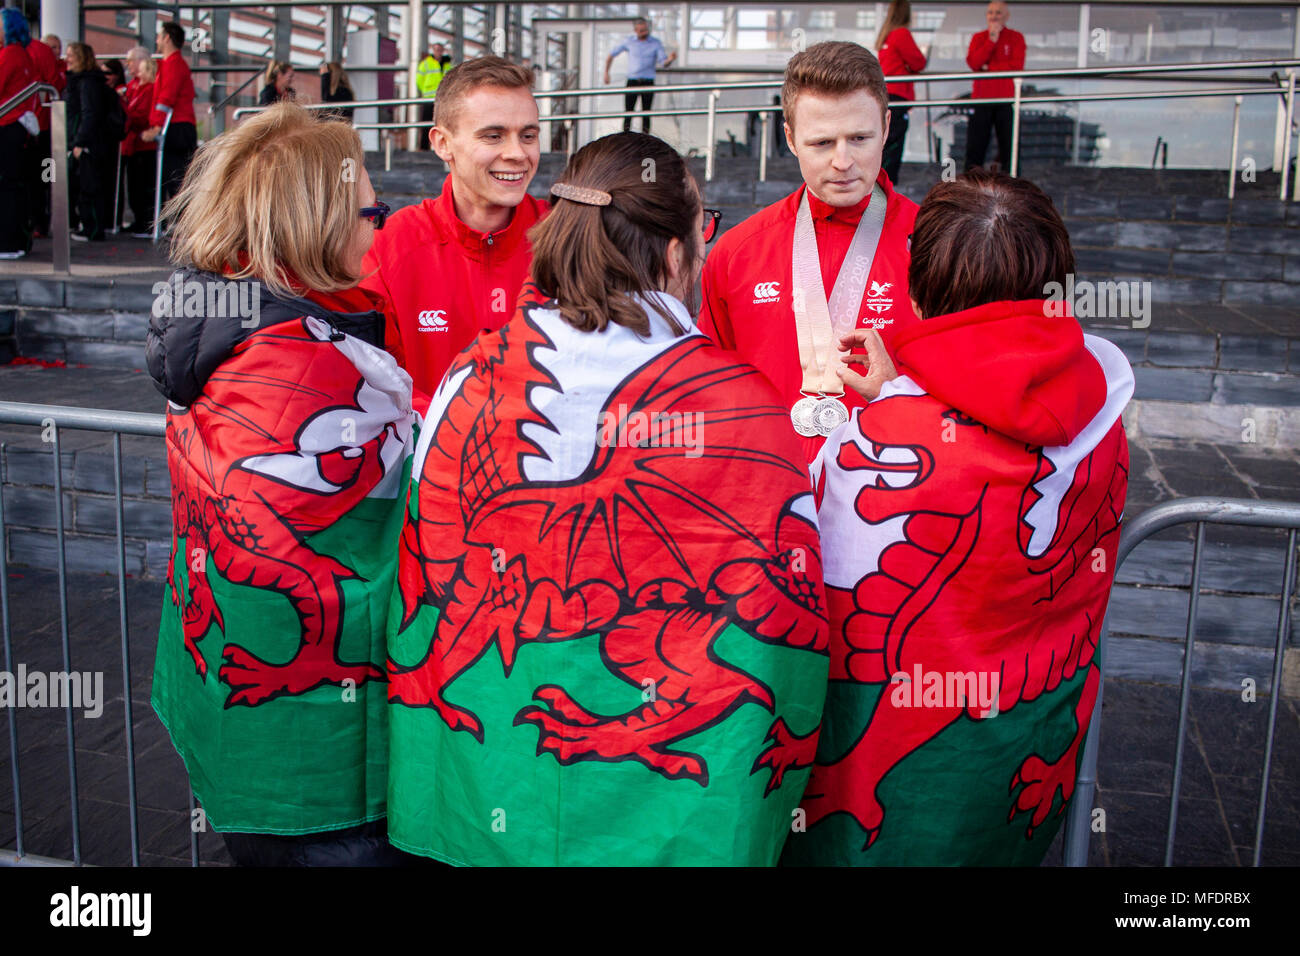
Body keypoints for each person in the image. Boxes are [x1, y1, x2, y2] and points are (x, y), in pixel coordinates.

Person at [386, 131, 830, 866]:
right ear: (676, 252)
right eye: (703, 225)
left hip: (497, 803)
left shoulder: (471, 375)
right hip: (666, 832)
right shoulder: (737, 404)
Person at [782, 169, 1133, 866]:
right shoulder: (1105, 404)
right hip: (1016, 760)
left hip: (880, 796)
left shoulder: (875, 446)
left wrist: (890, 405)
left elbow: (805, 579)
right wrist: (907, 386)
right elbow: (1001, 411)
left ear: (916, 294)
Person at [147, 102, 415, 867]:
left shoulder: (212, 326)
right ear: (317, 221)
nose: (380, 226)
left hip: (229, 701)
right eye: (371, 209)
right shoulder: (317, 364)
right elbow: (413, 523)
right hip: (319, 751)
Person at [699, 41, 919, 465]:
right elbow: (713, 393)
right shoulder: (736, 253)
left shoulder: (936, 245)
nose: (843, 161)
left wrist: (902, 397)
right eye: (821, 143)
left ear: (887, 128)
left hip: (895, 502)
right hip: (770, 503)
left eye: (859, 138)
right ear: (791, 139)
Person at [361, 56, 548, 402]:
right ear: (442, 143)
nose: (517, 153)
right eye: (493, 136)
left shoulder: (568, 239)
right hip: (430, 453)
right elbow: (372, 383)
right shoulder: (387, 248)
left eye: (528, 135)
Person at [65, 42, 120, 242]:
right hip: (89, 141)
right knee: (87, 185)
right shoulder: (87, 82)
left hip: (89, 144)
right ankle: (89, 226)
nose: (66, 58)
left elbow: (89, 114)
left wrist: (80, 141)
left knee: (90, 186)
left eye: (71, 54)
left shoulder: (86, 83)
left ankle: (93, 229)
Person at [141, 21, 196, 211]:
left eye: (159, 35)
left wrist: (156, 126)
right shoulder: (169, 64)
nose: (156, 39)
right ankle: (177, 221)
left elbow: (167, 97)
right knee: (172, 177)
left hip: (177, 127)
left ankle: (181, 223)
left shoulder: (174, 64)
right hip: (176, 125)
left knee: (175, 177)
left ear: (166, 38)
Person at [964, 0, 1025, 171]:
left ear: (1006, 16)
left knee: (1009, 149)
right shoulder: (979, 38)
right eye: (991, 13)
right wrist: (991, 41)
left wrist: (988, 68)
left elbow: (1016, 67)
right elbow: (974, 63)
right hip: (981, 99)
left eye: (998, 13)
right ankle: (969, 187)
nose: (994, 16)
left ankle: (1012, 188)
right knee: (975, 148)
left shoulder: (1016, 38)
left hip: (1005, 100)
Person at [875, 0, 926, 184]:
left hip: (886, 95)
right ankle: (887, 187)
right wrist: (908, 68)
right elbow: (919, 62)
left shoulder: (885, 36)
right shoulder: (901, 34)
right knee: (894, 142)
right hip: (897, 95)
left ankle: (880, 185)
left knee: (886, 140)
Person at [0, 9, 37, 258]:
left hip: (7, 125)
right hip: (17, 127)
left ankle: (8, 242)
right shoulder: (22, 55)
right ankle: (16, 240)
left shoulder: (9, 55)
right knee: (14, 186)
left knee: (7, 186)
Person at [604, 16, 676, 133]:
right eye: (641, 30)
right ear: (636, 31)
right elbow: (611, 55)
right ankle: (626, 136)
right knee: (628, 111)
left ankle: (645, 137)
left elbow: (663, 62)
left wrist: (670, 59)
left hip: (648, 81)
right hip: (632, 80)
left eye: (646, 30)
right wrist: (606, 73)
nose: (644, 33)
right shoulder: (629, 41)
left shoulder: (655, 43)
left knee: (646, 112)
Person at [25, 19, 63, 239]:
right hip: (36, 126)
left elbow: (55, 86)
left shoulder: (38, 51)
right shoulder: (39, 50)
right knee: (39, 178)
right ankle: (38, 221)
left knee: (43, 176)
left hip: (41, 127)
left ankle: (40, 221)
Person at [123, 53, 157, 237]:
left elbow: (143, 114)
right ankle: (139, 220)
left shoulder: (149, 89)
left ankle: (146, 222)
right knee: (134, 185)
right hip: (134, 143)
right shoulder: (135, 88)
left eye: (142, 70)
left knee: (144, 185)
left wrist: (128, 116)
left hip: (145, 144)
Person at [415, 42, 450, 149]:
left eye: (440, 50)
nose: (438, 52)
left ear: (443, 51)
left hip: (443, 98)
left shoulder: (447, 65)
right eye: (436, 49)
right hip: (429, 98)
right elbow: (419, 80)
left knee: (443, 123)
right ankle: (424, 147)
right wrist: (426, 91)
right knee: (426, 123)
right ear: (433, 50)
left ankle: (443, 146)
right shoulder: (426, 63)